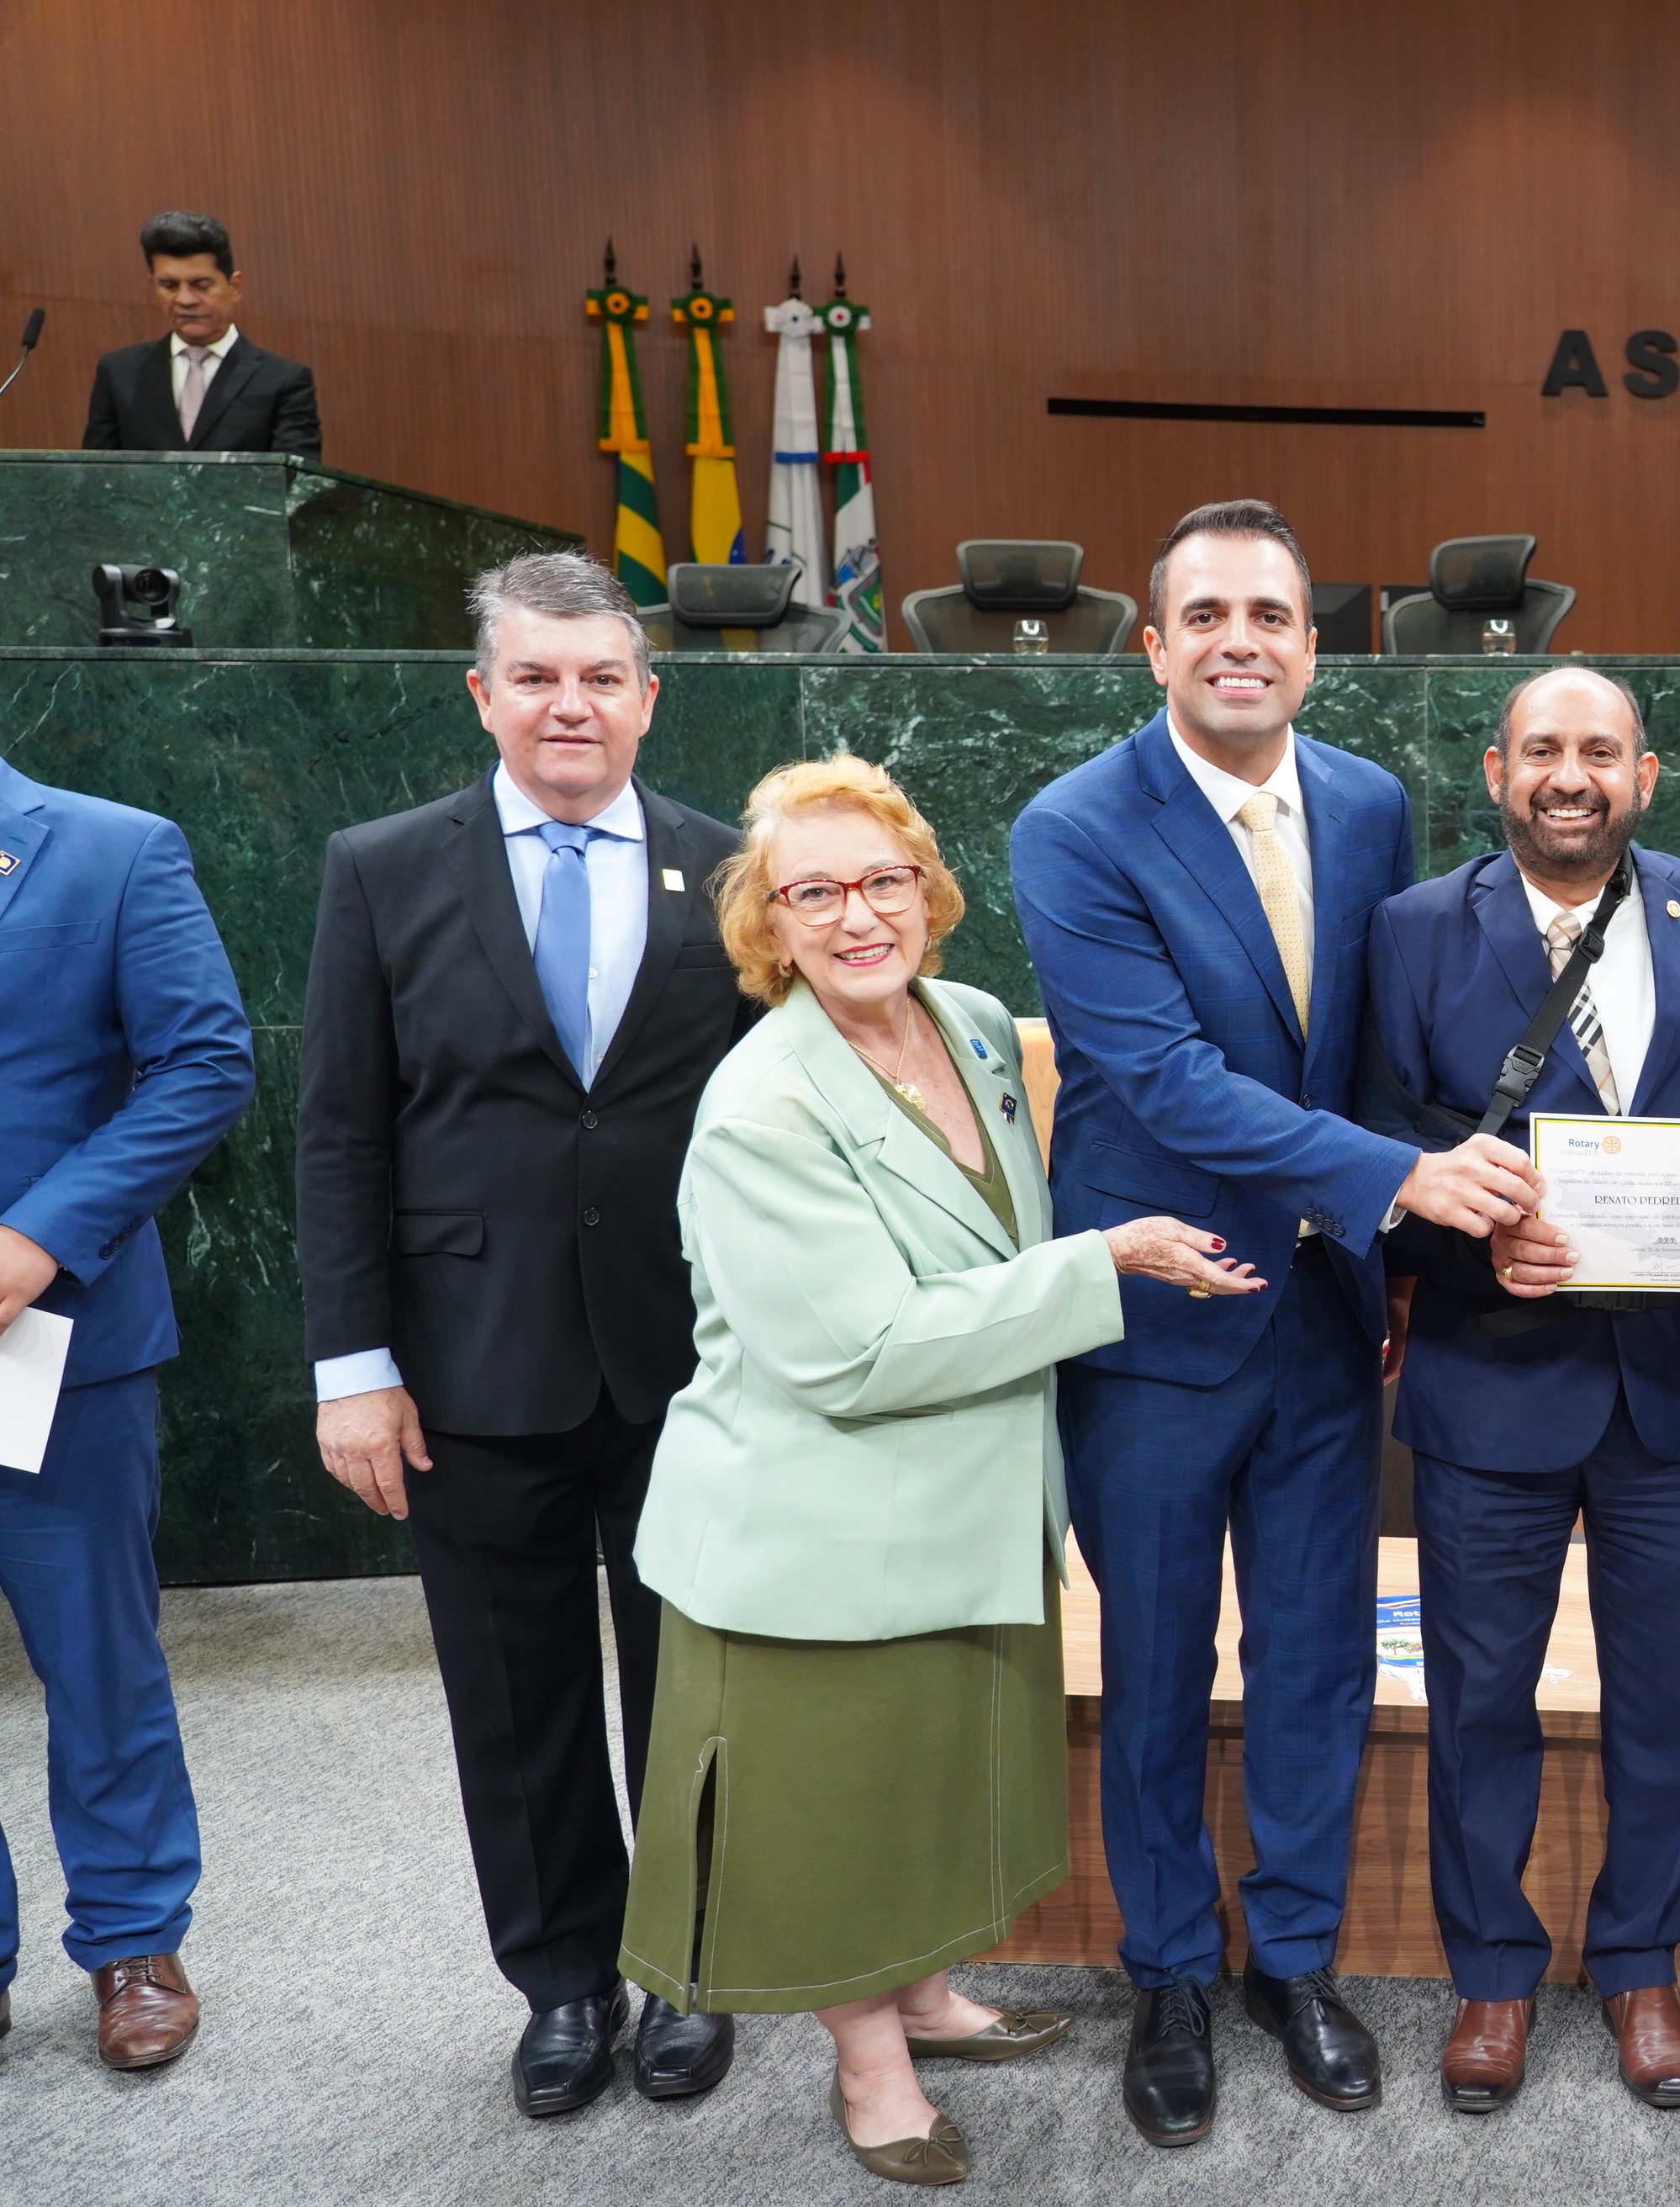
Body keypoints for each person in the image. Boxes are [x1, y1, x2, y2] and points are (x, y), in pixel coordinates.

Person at [616, 755, 1255, 2186]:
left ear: (929, 890)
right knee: (837, 1805)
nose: (858, 916)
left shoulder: (966, 1025)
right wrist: (1107, 1261)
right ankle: (872, 2068)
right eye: (815, 894)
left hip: (955, 1496)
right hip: (814, 1524)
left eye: (883, 880)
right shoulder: (763, 1103)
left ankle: (924, 1995)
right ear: (768, 925)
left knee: (920, 1780)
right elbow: (857, 1352)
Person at [1007, 500, 1540, 2144]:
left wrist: (1405, 1242)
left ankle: (1291, 1956)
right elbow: (1168, 1082)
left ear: (1313, 646)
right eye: (1207, 616)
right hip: (1160, 1316)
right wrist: (1407, 1179)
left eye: (1271, 617)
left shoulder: (1369, 803)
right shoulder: (1075, 827)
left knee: (1315, 1661)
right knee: (1156, 1666)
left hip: (1323, 1316)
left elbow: (1375, 1045)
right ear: (1153, 645)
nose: (1240, 641)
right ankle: (1169, 1969)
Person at [297, 551, 751, 2116]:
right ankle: (563, 1978)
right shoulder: (380, 868)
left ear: (647, 696)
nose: (572, 705)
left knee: (693, 1684)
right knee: (513, 1689)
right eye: (538, 677)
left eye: (602, 676)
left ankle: (687, 1962)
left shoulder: (730, 867)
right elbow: (341, 1131)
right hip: (466, 1365)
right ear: (483, 694)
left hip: (692, 1364)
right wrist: (352, 1368)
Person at [1364, 666, 1680, 2115]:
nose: (1569, 775)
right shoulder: (1410, 930)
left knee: (1665, 1700)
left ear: (1645, 774)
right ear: (1497, 769)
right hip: (1489, 1377)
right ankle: (1492, 1971)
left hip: (1668, 1387)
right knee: (1481, 1701)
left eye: (1600, 750)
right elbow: (1373, 1146)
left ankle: (1644, 1962)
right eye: (1542, 749)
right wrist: (1466, 1236)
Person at [0, 759, 253, 2069]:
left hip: (54, 1336)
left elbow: (206, 1063)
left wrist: (39, 1237)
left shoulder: (111, 850)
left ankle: (134, 1941)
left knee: (96, 1656)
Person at [82, 210, 321, 458]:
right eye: (169, 286)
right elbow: (95, 472)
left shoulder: (282, 381)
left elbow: (295, 477)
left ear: (235, 287)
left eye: (201, 286)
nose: (185, 300)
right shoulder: (120, 373)